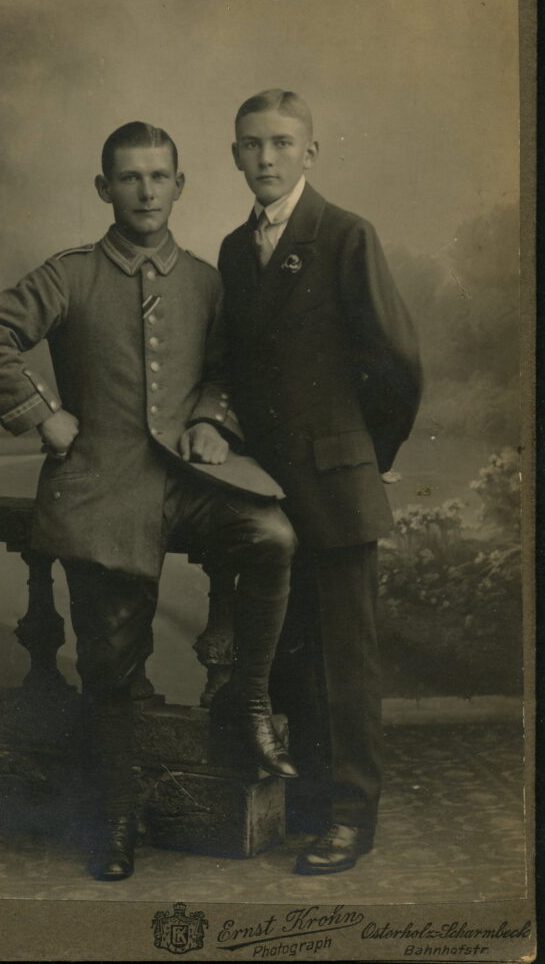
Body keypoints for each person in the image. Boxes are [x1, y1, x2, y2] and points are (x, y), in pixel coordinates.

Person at [0, 121, 298, 882]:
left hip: (186, 481)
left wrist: (209, 420)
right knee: (111, 666)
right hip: (100, 486)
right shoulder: (70, 274)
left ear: (180, 186)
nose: (146, 191)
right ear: (103, 188)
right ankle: (114, 818)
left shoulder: (207, 280)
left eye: (159, 177)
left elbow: (224, 371)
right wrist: (43, 413)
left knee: (272, 535)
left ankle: (245, 702)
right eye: (130, 178)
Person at [218, 90, 422, 875]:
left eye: (279, 142)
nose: (264, 158)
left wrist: (365, 454)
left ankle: (350, 818)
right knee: (293, 656)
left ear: (311, 152)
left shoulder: (343, 236)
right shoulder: (238, 249)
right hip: (268, 489)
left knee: (345, 661)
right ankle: (305, 806)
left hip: (337, 482)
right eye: (249, 144)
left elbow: (397, 365)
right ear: (233, 155)